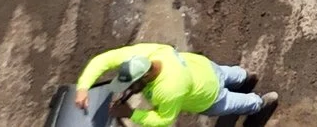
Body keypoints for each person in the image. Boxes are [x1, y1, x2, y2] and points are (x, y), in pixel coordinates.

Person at [74, 46, 271, 125]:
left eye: (132, 84)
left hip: (209, 96)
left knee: (235, 103)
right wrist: (83, 87)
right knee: (230, 73)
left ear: (146, 76)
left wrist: (131, 113)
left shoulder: (168, 89)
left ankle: (259, 104)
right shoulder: (145, 53)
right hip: (206, 68)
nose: (129, 89)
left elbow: (164, 120)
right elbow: (103, 60)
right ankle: (246, 78)